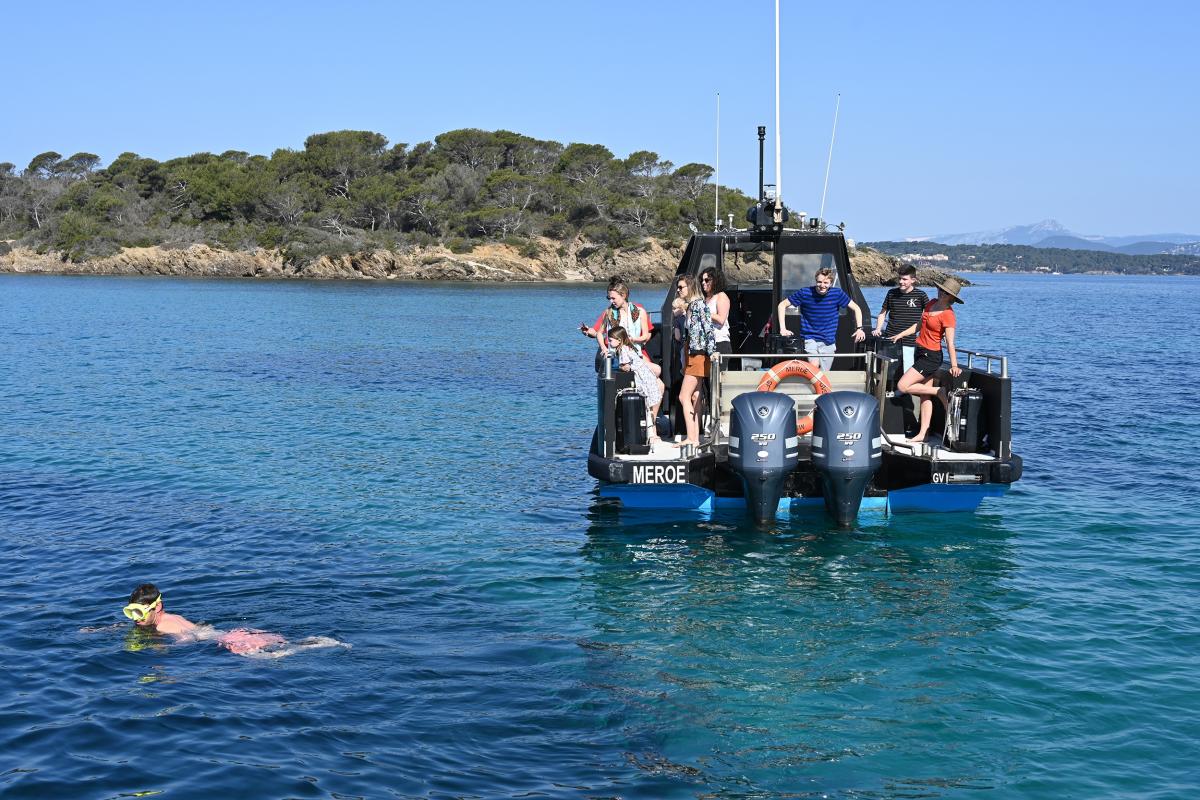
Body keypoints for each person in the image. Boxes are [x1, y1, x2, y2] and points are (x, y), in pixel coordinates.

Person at [122, 583, 345, 658]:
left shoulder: (165, 625)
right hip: (232, 632)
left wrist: (166, 649)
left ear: (157, 607)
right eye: (131, 613)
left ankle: (321, 644)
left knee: (275, 655)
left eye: (139, 613)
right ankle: (317, 641)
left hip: (230, 640)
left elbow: (188, 637)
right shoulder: (168, 618)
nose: (136, 619)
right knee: (283, 645)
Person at [892, 277, 965, 443]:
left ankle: (939, 392)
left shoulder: (948, 315)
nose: (941, 293)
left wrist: (954, 365)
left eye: (946, 293)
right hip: (920, 351)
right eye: (941, 289)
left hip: (931, 357)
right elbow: (919, 325)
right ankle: (923, 433)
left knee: (903, 386)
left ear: (951, 297)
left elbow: (950, 342)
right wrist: (901, 334)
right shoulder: (931, 303)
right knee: (924, 397)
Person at [776, 267, 867, 371]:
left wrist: (859, 328)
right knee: (814, 365)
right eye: (819, 282)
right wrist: (783, 329)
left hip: (828, 340)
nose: (822, 285)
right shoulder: (805, 293)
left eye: (825, 283)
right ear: (816, 281)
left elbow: (856, 308)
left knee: (824, 373)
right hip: (809, 338)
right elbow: (782, 305)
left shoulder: (837, 294)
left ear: (831, 283)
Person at [578, 277, 660, 376]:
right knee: (655, 370)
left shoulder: (639, 311)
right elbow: (598, 332)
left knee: (657, 373)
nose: (611, 301)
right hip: (615, 355)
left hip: (635, 352)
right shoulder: (609, 312)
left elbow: (646, 336)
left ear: (623, 295)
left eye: (613, 298)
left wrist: (632, 340)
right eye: (609, 298)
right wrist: (603, 348)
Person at [677, 275, 716, 446]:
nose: (678, 290)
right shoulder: (691, 306)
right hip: (691, 353)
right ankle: (695, 436)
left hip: (698, 355)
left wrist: (712, 351)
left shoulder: (699, 305)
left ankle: (691, 438)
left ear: (690, 287)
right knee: (694, 396)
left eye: (681, 287)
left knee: (683, 396)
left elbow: (709, 329)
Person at [609, 325, 665, 444]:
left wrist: (618, 366)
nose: (609, 342)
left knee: (647, 405)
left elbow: (626, 366)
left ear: (619, 340)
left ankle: (651, 433)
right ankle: (652, 433)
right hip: (647, 374)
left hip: (642, 378)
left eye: (610, 340)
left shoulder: (623, 349)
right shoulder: (629, 347)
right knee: (649, 405)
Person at [872, 265, 929, 375]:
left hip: (909, 341)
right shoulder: (891, 293)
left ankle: (904, 392)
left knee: (906, 373)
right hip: (890, 340)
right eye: (900, 278)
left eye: (905, 279)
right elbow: (883, 313)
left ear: (913, 280)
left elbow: (929, 316)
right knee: (886, 373)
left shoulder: (921, 295)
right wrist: (878, 328)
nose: (901, 282)